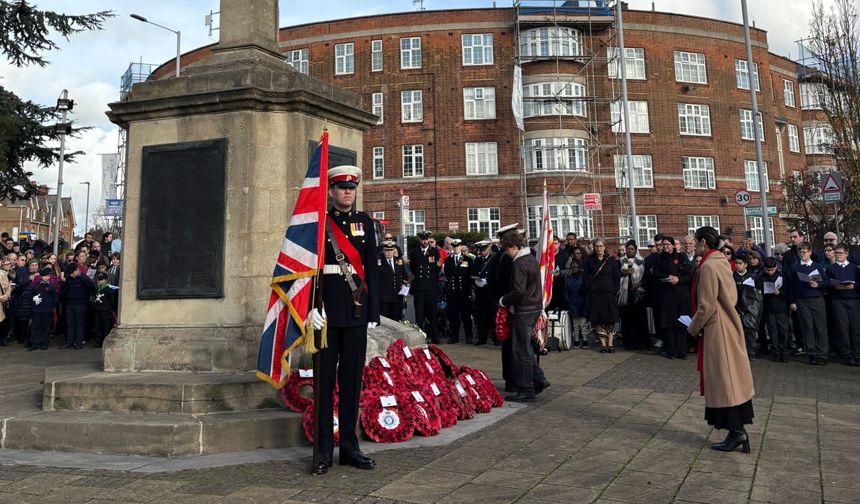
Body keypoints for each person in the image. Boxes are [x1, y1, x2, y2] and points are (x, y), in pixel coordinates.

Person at [310, 165, 379, 474]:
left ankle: (350, 449)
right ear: (331, 192)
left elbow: (372, 271)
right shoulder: (318, 224)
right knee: (324, 386)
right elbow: (308, 270)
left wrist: (373, 313)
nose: (348, 192)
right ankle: (323, 450)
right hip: (325, 316)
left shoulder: (366, 223)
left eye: (352, 187)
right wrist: (310, 307)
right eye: (341, 188)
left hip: (355, 312)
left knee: (351, 383)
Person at [688, 226, 754, 454]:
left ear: (704, 243)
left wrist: (692, 327)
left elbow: (706, 305)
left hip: (717, 330)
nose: (695, 245)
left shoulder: (707, 266)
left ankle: (737, 432)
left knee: (726, 384)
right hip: (728, 324)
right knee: (732, 382)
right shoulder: (722, 261)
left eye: (696, 241)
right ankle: (737, 432)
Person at [499, 230, 546, 402]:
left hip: (524, 309)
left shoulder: (519, 262)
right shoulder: (531, 259)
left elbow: (518, 291)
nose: (506, 253)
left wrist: (503, 300)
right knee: (524, 347)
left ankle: (527, 388)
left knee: (520, 350)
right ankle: (539, 378)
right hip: (534, 307)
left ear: (513, 246)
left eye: (507, 249)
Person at [787, 243, 828, 365]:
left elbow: (826, 282)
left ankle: (822, 354)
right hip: (802, 300)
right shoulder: (795, 267)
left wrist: (818, 285)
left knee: (820, 326)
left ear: (810, 252)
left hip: (817, 298)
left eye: (804, 251)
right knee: (807, 326)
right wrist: (792, 301)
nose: (802, 254)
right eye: (800, 252)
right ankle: (812, 354)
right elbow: (791, 286)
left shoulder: (817, 266)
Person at [653, 236, 693, 359]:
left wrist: (678, 279)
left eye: (668, 244)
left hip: (680, 295)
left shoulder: (681, 257)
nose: (666, 246)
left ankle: (682, 351)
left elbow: (688, 274)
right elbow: (656, 274)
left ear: (673, 245)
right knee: (668, 324)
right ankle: (671, 351)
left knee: (680, 324)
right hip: (666, 295)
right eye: (663, 244)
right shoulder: (659, 258)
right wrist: (668, 277)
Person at [826, 244, 859, 366]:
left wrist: (853, 286)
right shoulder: (831, 268)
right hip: (838, 300)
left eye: (840, 253)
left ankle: (857, 354)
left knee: (855, 328)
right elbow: (826, 284)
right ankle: (847, 354)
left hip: (854, 300)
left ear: (846, 254)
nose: (838, 255)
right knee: (842, 328)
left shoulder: (854, 268)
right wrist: (834, 286)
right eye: (836, 253)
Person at [585, 238, 620, 353]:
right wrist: (590, 288)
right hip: (596, 295)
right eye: (597, 246)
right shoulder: (589, 260)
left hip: (609, 295)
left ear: (605, 247)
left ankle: (610, 343)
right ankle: (603, 344)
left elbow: (616, 278)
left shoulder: (612, 260)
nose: (599, 248)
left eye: (601, 246)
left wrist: (614, 290)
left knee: (610, 319)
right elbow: (585, 277)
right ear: (594, 248)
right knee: (598, 319)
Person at [409, 231, 442, 343]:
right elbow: (413, 268)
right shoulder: (414, 252)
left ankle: (435, 336)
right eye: (423, 239)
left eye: (426, 239)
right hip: (419, 288)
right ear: (419, 240)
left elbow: (437, 268)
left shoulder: (434, 251)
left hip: (431, 287)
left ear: (429, 239)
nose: (425, 241)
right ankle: (421, 336)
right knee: (420, 313)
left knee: (433, 313)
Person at [443, 238, 475, 343]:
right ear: (452, 247)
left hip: (464, 292)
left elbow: (471, 276)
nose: (456, 248)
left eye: (458, 246)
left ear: (461, 247)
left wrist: (470, 291)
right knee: (453, 317)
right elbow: (448, 275)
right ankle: (454, 336)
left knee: (466, 316)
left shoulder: (468, 260)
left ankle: (469, 336)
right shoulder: (448, 261)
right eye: (454, 246)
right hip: (453, 293)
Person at [618, 240, 647, 350]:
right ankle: (629, 343)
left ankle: (641, 343)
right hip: (625, 293)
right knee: (627, 319)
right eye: (628, 249)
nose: (630, 251)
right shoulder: (621, 261)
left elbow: (645, 276)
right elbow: (618, 273)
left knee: (639, 319)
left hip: (638, 293)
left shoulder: (641, 261)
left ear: (636, 250)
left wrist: (639, 284)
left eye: (632, 249)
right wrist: (623, 273)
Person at [733, 255, 763, 359]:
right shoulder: (731, 276)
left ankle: (751, 352)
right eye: (736, 263)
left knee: (750, 330)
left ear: (745, 265)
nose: (737, 265)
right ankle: (739, 352)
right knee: (737, 331)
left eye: (740, 263)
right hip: (736, 307)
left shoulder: (752, 277)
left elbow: (757, 295)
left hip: (749, 308)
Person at [761, 257, 789, 362]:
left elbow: (788, 292)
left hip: (781, 308)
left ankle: (784, 353)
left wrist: (780, 293)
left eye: (772, 270)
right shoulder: (762, 277)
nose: (770, 272)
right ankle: (776, 353)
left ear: (776, 267)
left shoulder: (782, 276)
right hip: (769, 309)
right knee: (773, 331)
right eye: (768, 270)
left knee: (783, 331)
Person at [64, 260, 94, 350]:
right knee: (70, 324)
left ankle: (78, 342)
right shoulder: (69, 279)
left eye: (73, 273)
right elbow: (65, 289)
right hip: (70, 304)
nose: (72, 275)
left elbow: (91, 287)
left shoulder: (84, 278)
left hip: (81, 304)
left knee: (79, 324)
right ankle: (70, 341)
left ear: (77, 270)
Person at [29, 267, 58, 351]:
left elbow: (55, 298)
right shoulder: (36, 285)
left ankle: (44, 343)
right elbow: (31, 294)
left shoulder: (51, 286)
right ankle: (35, 343)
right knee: (35, 326)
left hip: (47, 310)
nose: (46, 277)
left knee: (46, 327)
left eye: (48, 276)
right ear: (41, 276)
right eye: (44, 276)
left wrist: (51, 305)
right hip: (37, 309)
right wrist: (33, 298)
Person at [378, 240, 408, 322]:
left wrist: (404, 284)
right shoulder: (379, 262)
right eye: (387, 250)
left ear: (394, 250)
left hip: (397, 297)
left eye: (391, 250)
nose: (389, 253)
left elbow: (405, 276)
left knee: (396, 320)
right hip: (384, 297)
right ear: (384, 251)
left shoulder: (399, 261)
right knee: (385, 321)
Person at [472, 240, 495, 346]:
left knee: (492, 316)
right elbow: (473, 272)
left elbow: (496, 275)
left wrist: (488, 281)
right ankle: (482, 338)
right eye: (480, 250)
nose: (482, 252)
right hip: (480, 292)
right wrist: (475, 280)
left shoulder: (493, 259)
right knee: (481, 316)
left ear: (488, 249)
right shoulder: (477, 261)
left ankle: (495, 338)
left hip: (490, 291)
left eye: (483, 250)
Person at [565, 259, 589, 349]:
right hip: (572, 302)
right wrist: (568, 302)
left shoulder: (583, 278)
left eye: (576, 267)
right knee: (575, 324)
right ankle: (576, 340)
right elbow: (566, 292)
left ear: (579, 268)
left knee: (583, 323)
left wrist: (586, 303)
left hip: (582, 302)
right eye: (572, 267)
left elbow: (586, 291)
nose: (574, 269)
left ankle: (585, 340)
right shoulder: (568, 279)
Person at [91, 272, 115, 348]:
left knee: (105, 326)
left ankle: (105, 342)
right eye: (99, 280)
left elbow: (111, 300)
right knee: (97, 326)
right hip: (97, 309)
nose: (100, 281)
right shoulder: (97, 289)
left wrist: (109, 308)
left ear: (106, 280)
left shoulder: (108, 289)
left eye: (102, 280)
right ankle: (98, 341)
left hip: (105, 310)